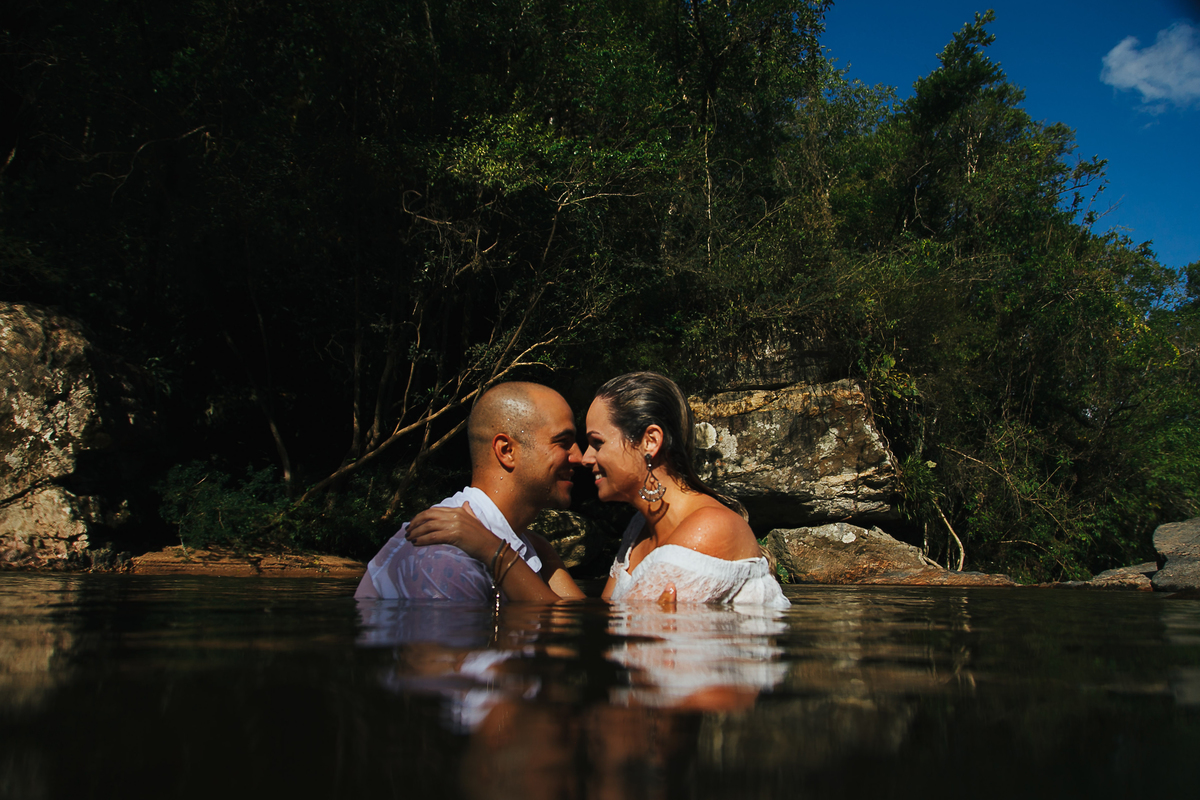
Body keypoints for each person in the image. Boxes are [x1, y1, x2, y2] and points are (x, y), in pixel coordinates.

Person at [354, 382, 586, 602]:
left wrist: (540, 552)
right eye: (563, 442)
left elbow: (570, 626)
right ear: (507, 451)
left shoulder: (515, 542)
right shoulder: (446, 554)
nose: (580, 458)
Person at [583, 372, 789, 607]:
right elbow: (611, 616)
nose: (585, 458)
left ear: (650, 441)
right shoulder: (638, 527)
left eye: (597, 443)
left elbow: (630, 629)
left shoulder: (711, 527)